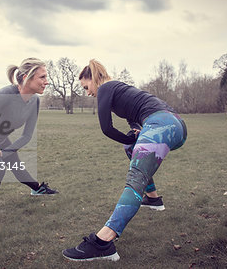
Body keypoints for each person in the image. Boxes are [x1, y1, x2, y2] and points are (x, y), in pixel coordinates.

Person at [63, 59, 187, 261]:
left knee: (136, 175)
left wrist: (129, 136)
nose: (87, 92)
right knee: (130, 148)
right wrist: (132, 137)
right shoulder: (119, 89)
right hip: (175, 125)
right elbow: (134, 117)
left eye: (86, 87)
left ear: (94, 79)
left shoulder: (106, 88)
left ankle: (103, 242)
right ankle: (153, 199)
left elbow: (106, 128)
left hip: (161, 123)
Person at [0, 57, 58, 227]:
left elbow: (26, 136)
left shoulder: (35, 100)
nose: (47, 82)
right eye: (42, 77)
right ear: (25, 78)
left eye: (46, 77)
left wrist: (4, 152)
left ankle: (37, 189)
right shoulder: (6, 94)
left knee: (17, 168)